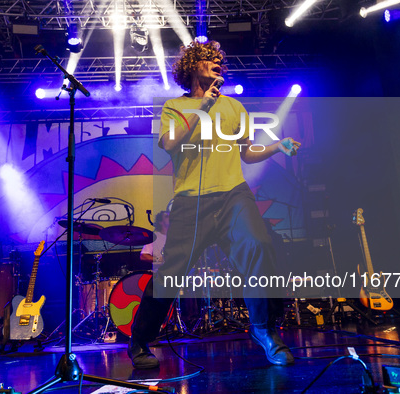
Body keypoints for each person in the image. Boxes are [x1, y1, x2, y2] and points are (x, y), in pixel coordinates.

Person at [128, 40, 301, 369]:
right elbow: (169, 143)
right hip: (192, 201)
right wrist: (203, 108)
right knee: (169, 275)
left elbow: (246, 152)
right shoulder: (174, 107)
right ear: (192, 66)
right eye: (208, 59)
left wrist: (278, 146)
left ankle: (264, 330)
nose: (217, 63)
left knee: (259, 246)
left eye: (219, 59)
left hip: (233, 194)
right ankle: (139, 341)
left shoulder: (235, 108)